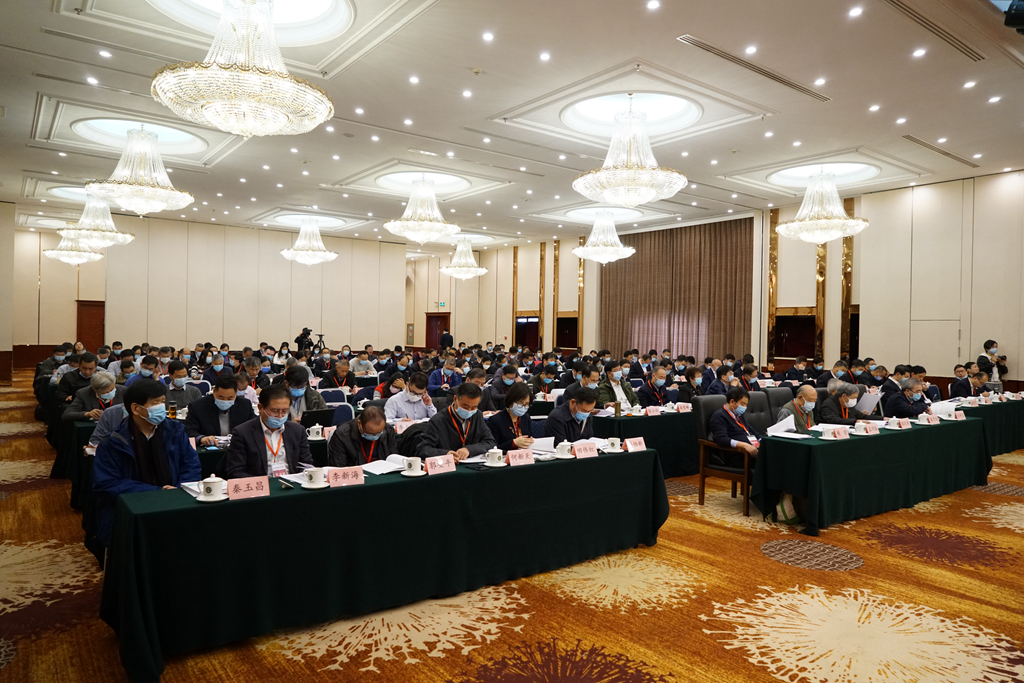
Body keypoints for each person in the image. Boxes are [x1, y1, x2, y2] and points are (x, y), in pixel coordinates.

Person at [93, 379, 201, 547]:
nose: (162, 407)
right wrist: (157, 493)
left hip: (176, 502)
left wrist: (179, 489)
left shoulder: (175, 431)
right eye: (155, 403)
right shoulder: (113, 442)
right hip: (133, 510)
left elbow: (191, 465)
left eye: (163, 401)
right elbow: (107, 483)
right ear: (136, 408)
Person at [225, 384, 313, 479]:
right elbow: (236, 471)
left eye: (284, 411)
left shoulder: (297, 431)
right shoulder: (243, 433)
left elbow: (306, 464)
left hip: (291, 482)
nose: (280, 416)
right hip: (260, 484)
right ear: (260, 408)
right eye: (274, 411)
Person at [419, 382, 496, 461]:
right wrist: (446, 454)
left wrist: (469, 449)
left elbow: (490, 442)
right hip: (448, 465)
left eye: (474, 407)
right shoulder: (438, 420)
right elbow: (423, 449)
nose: (469, 410)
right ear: (455, 399)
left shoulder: (477, 415)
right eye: (465, 406)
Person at [184, 376, 255, 446]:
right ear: (214, 391)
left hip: (238, 446)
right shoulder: (197, 406)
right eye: (221, 397)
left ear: (236, 392)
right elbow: (189, 430)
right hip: (210, 448)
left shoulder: (245, 405)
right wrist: (201, 438)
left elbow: (254, 426)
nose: (225, 401)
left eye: (230, 398)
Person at [709, 387, 763, 467]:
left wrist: (762, 440)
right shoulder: (719, 416)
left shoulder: (738, 415)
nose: (745, 407)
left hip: (751, 450)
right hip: (738, 454)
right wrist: (744, 445)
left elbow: (749, 429)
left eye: (746, 404)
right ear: (732, 402)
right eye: (742, 404)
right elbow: (721, 439)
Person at [327, 406, 397, 468]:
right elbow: (338, 467)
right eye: (370, 433)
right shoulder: (342, 435)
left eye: (379, 433)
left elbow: (394, 459)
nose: (375, 436)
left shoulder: (388, 430)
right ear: (359, 424)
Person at [487, 383, 535, 453]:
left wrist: (530, 441)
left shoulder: (526, 418)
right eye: (520, 403)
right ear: (511, 401)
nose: (523, 407)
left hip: (524, 455)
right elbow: (493, 448)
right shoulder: (495, 420)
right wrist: (513, 443)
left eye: (526, 404)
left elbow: (530, 437)